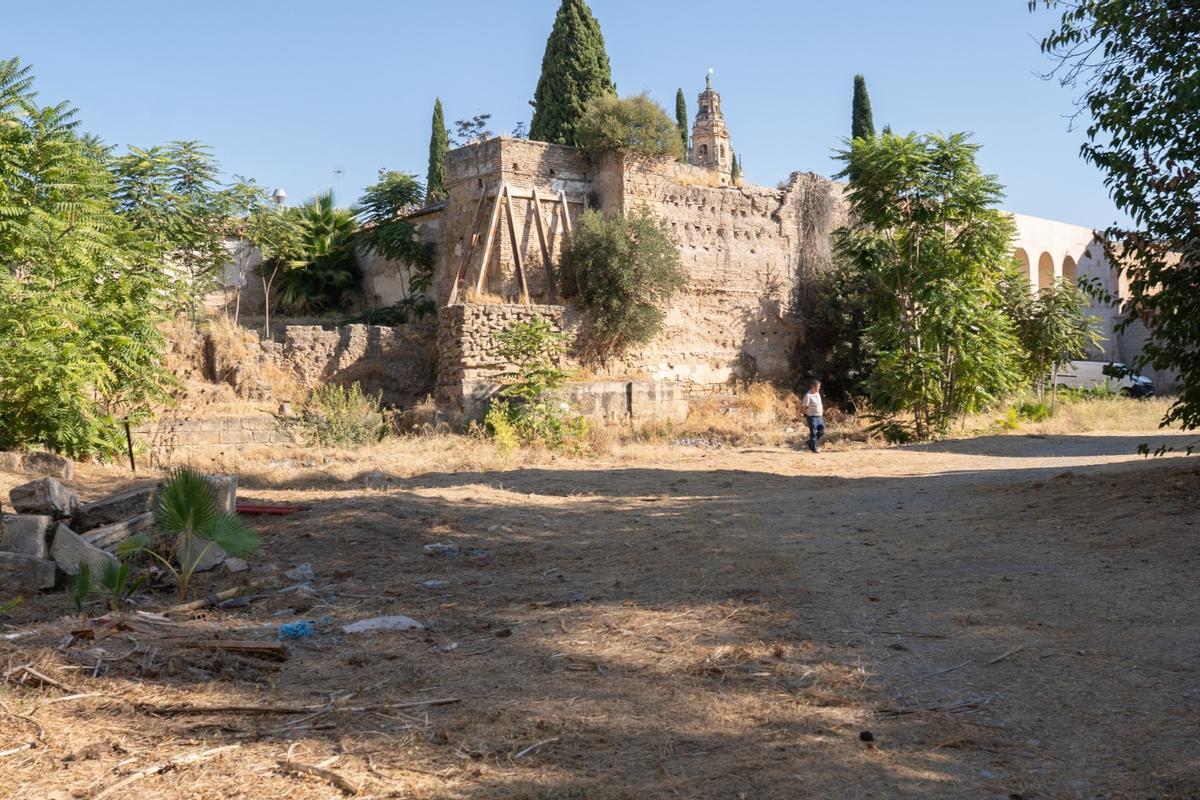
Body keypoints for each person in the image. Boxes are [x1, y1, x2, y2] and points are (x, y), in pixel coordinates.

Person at [802, 379, 825, 453]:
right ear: (813, 386)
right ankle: (813, 448)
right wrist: (806, 415)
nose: (819, 388)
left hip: (820, 417)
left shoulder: (818, 394)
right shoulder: (808, 396)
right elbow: (804, 406)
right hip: (812, 417)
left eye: (819, 386)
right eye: (818, 387)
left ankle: (810, 442)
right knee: (814, 433)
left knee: (821, 431)